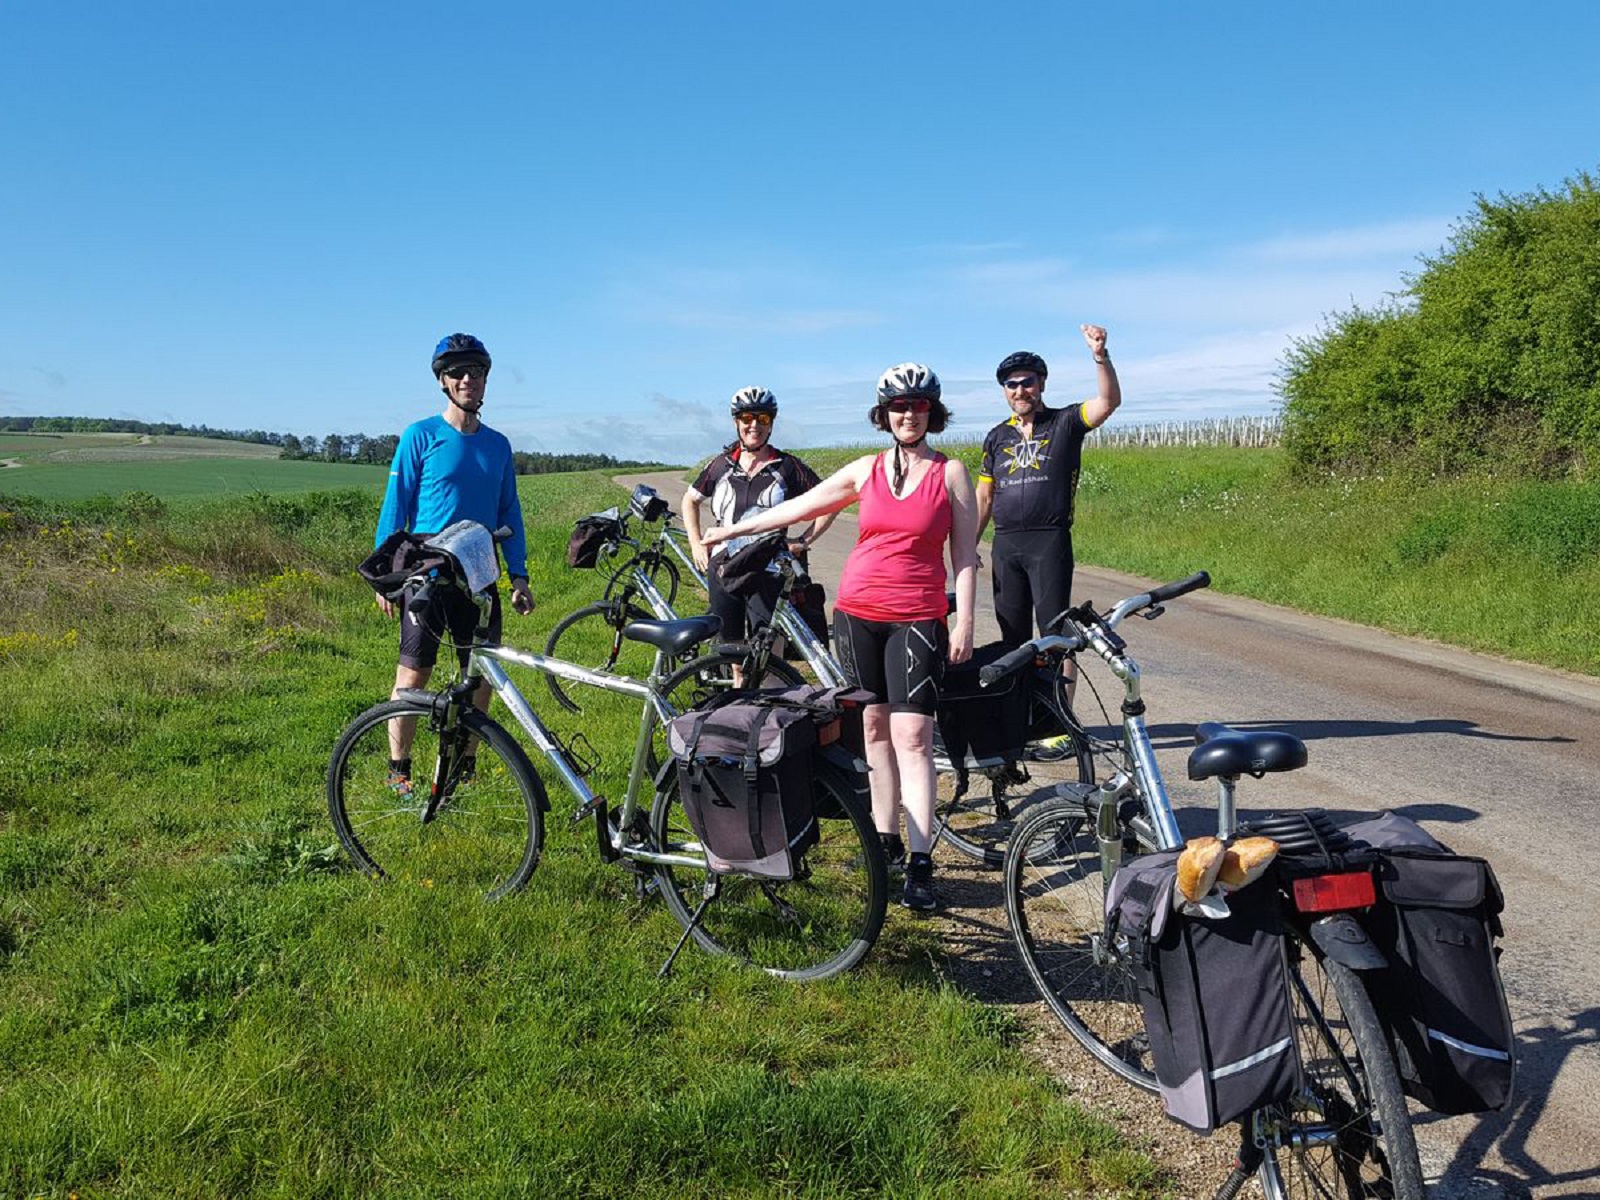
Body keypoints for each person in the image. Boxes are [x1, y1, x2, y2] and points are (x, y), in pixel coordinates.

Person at [702, 364, 979, 912]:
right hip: (856, 613)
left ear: (932, 412)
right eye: (899, 406)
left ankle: (922, 863)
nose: (908, 414)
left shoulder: (952, 475)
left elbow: (966, 555)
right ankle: (885, 844)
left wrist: (965, 621)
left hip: (917, 616)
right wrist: (733, 530)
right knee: (872, 730)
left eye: (919, 405)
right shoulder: (866, 469)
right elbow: (799, 508)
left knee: (915, 738)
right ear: (884, 414)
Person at [373, 333, 535, 792]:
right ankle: (399, 769)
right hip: (427, 569)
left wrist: (519, 574)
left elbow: (510, 512)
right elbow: (395, 507)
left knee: (480, 670)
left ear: (486, 381)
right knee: (413, 670)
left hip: (480, 568)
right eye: (457, 373)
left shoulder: (499, 446)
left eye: (476, 372)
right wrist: (387, 578)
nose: (467, 380)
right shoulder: (419, 436)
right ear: (443, 381)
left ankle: (465, 763)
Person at [976, 325, 1121, 650]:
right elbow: (984, 497)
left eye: (1027, 382)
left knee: (1057, 636)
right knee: (1012, 639)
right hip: (1005, 545)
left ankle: (1059, 702)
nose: (1019, 390)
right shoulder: (997, 436)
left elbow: (1108, 402)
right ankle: (1021, 702)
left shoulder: (1065, 422)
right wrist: (968, 545)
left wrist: (1100, 356)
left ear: (1041, 384)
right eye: (1011, 385)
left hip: (1048, 542)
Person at [681, 387, 835, 642]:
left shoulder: (786, 467)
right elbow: (689, 500)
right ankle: (739, 682)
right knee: (730, 646)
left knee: (767, 648)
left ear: (771, 423)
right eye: (747, 418)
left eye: (762, 419)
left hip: (768, 567)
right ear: (736, 422)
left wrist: (804, 541)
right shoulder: (721, 464)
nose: (754, 425)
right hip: (723, 566)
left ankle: (772, 682)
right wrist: (695, 543)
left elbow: (830, 501)